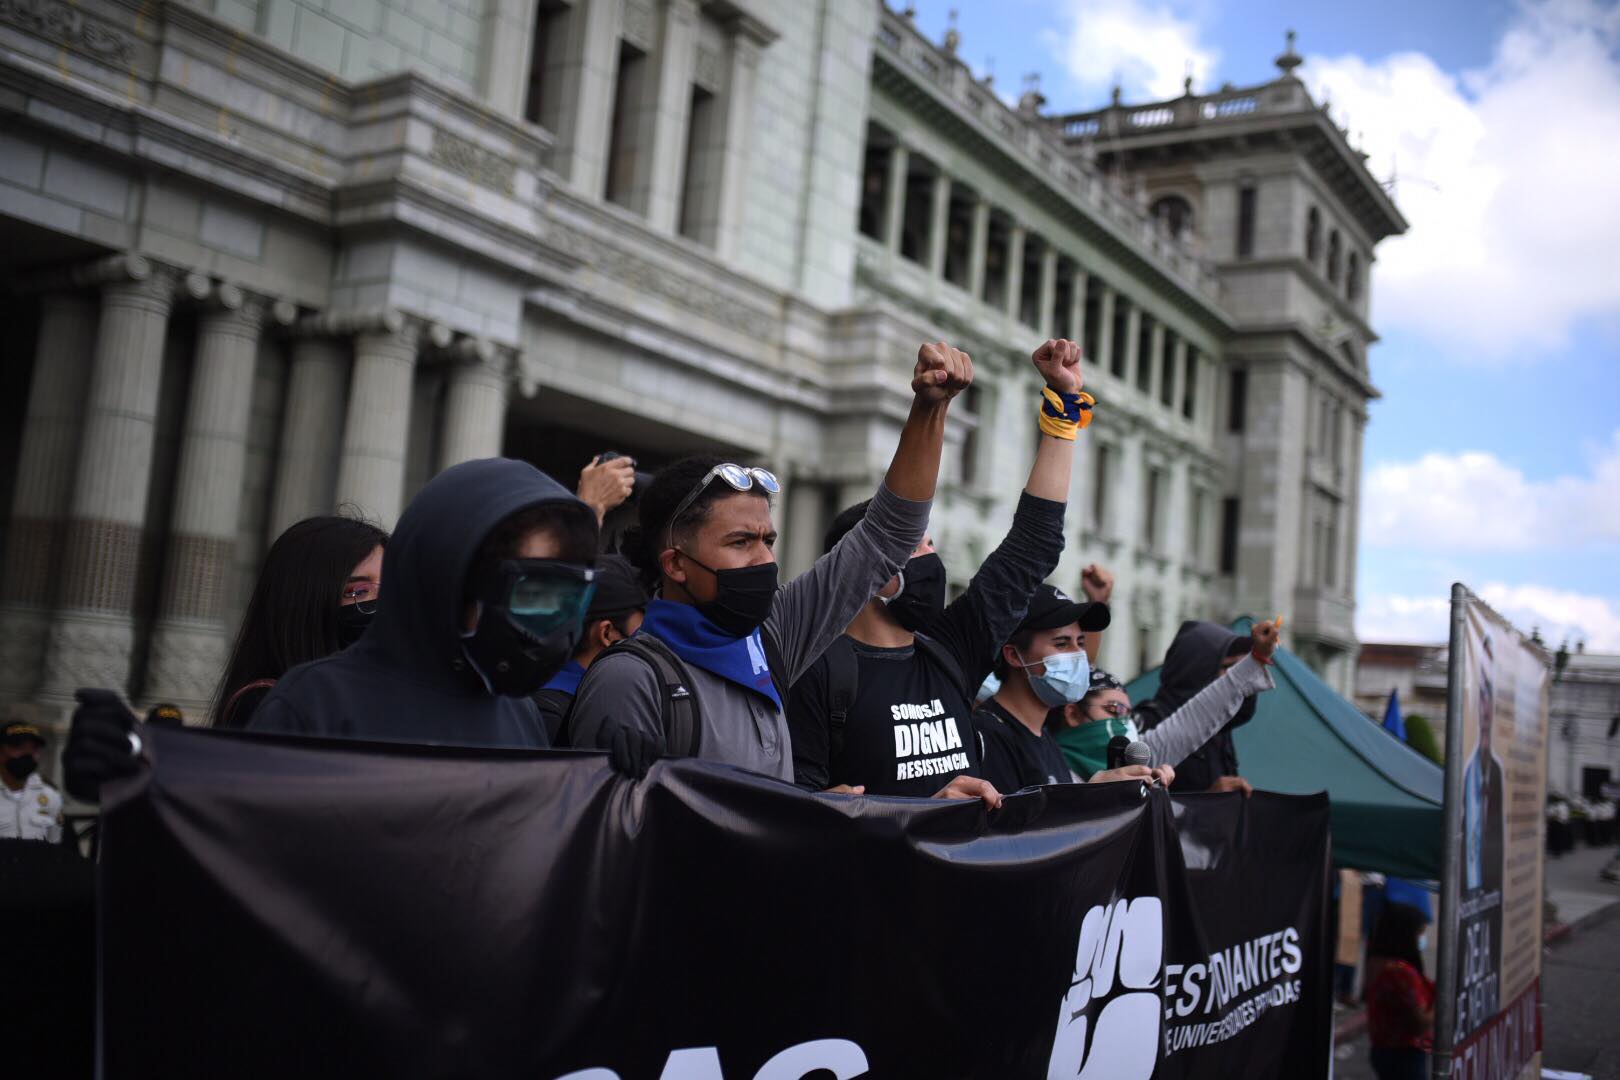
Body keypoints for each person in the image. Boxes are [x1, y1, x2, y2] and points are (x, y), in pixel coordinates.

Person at [567, 342, 980, 790]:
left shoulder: (772, 635)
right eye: (740, 542)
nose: (765, 559)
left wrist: (929, 409)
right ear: (676, 564)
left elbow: (889, 533)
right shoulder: (629, 680)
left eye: (769, 540)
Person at [785, 339, 1088, 800]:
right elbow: (797, 812)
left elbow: (1034, 546)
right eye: (912, 546)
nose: (931, 559)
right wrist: (926, 811)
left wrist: (1064, 414)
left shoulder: (949, 650)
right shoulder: (814, 672)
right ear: (866, 564)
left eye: (930, 543)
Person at [235, 457, 599, 750]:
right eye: (532, 595)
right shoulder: (314, 703)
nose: (554, 623)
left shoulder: (518, 713)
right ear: (451, 579)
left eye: (570, 600)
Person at [62, 515, 388, 804]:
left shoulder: (382, 697)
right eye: (357, 592)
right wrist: (144, 763)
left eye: (388, 590)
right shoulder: (270, 705)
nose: (381, 605)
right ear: (306, 602)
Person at [974, 584, 1175, 792]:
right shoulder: (988, 736)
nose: (1078, 656)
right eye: (1061, 644)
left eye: (1080, 643)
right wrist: (1088, 794)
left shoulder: (1044, 739)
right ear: (1014, 655)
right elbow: (1010, 822)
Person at [1050, 618, 1280, 780]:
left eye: (1128, 714)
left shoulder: (1139, 762)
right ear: (1072, 714)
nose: (1126, 722)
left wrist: (1256, 659)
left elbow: (1195, 719)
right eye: (1115, 709)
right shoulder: (1046, 770)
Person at [1133, 620, 1275, 794]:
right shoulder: (1149, 722)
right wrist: (1207, 800)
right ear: (1195, 669)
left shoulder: (1220, 732)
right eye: (1231, 667)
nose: (1237, 675)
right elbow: (1136, 807)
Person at [533, 554, 648, 742]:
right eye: (639, 635)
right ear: (606, 633)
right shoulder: (557, 713)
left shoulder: (526, 697)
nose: (645, 645)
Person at [1363, 901, 1434, 1080]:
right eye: (1419, 933)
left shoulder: (1376, 964)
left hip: (1382, 1050)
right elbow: (1419, 1024)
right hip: (1405, 1054)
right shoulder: (1401, 974)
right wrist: (1442, 1002)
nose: (1421, 939)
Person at [1, 720, 64, 843]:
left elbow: (55, 845)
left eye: (34, 749)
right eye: (19, 747)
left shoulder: (50, 796)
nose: (27, 754)